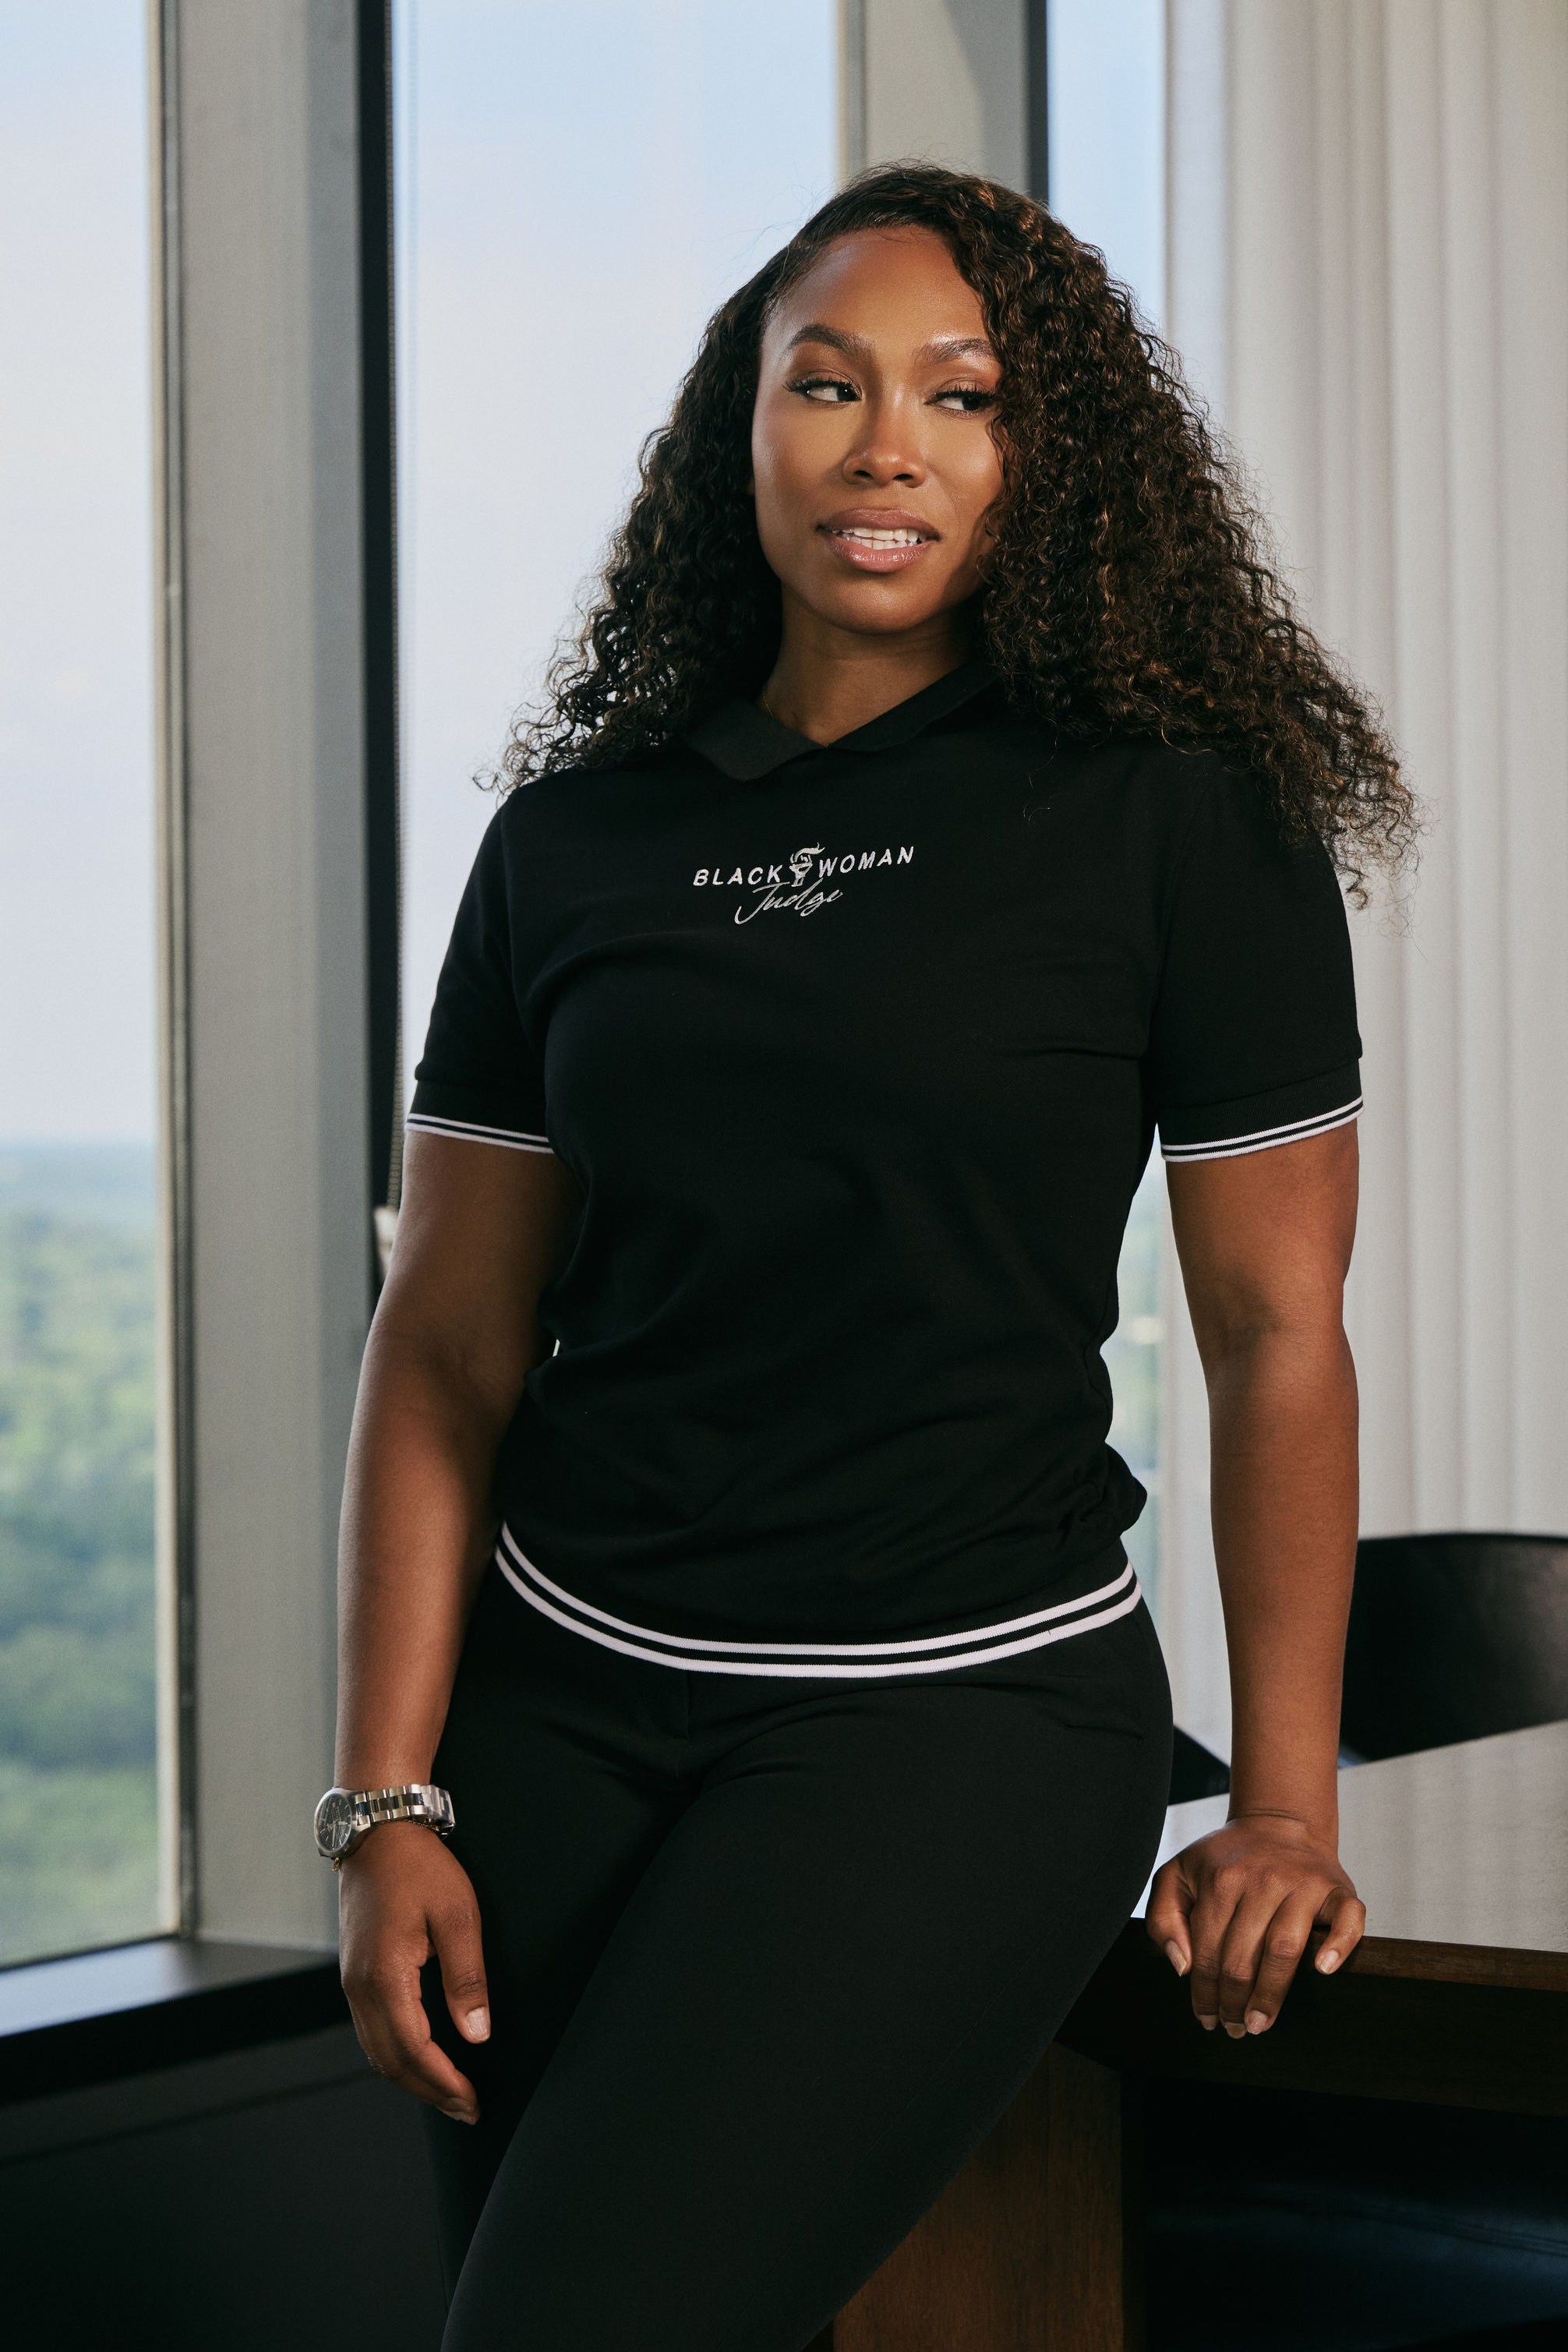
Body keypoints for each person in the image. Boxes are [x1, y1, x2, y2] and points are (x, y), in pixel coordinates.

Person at [327, 164, 1414, 2350]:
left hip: (953, 1724)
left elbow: (1270, 1325)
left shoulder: (1171, 815)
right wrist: (384, 1794)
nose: (883, 441)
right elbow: (445, 1339)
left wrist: (1282, 1799)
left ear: (1050, 455)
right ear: (740, 430)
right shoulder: (576, 837)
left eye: (959, 392)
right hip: (559, 1724)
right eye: (822, 383)